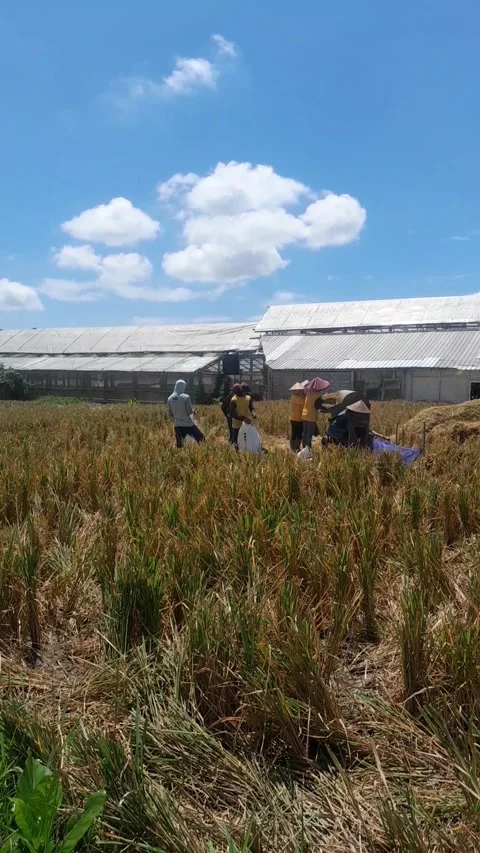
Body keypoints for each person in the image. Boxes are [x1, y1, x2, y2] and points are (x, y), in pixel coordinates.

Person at [167, 379, 205, 448]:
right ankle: (202, 453)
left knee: (179, 445)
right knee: (201, 438)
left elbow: (170, 414)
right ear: (183, 387)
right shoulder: (186, 397)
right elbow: (189, 411)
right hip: (188, 424)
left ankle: (179, 457)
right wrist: (193, 411)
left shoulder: (169, 398)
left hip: (177, 425)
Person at [301, 377, 330, 448]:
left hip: (304, 415)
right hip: (311, 416)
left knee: (305, 433)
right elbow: (318, 406)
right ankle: (307, 449)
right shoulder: (317, 395)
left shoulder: (309, 392)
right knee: (309, 434)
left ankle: (304, 447)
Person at [230, 382, 255, 446]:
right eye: (244, 392)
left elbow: (251, 408)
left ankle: (246, 453)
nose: (245, 394)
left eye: (246, 392)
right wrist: (243, 418)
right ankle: (236, 454)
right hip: (237, 425)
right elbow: (232, 414)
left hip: (246, 425)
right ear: (240, 391)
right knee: (236, 441)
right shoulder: (234, 400)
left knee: (246, 440)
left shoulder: (248, 398)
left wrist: (253, 413)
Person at [289, 381, 308, 452]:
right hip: (295, 418)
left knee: (299, 434)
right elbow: (303, 402)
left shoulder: (298, 397)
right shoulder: (294, 397)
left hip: (299, 418)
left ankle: (297, 447)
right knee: (295, 433)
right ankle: (293, 448)